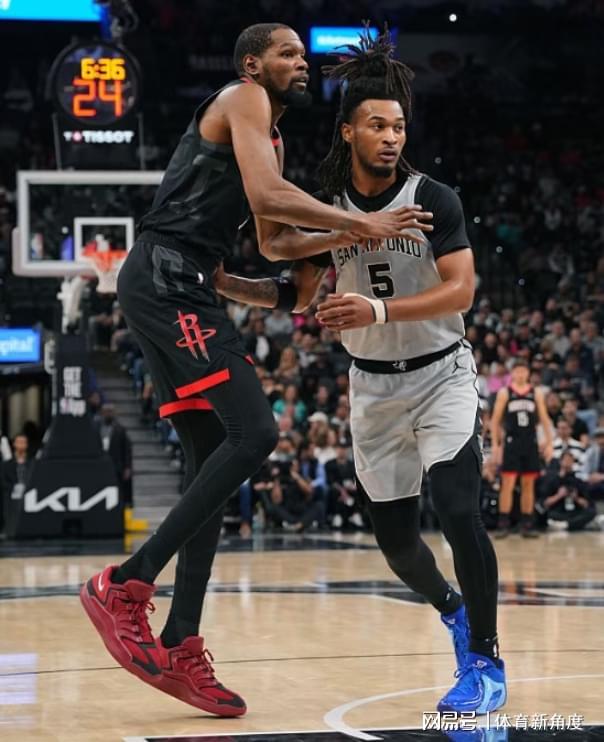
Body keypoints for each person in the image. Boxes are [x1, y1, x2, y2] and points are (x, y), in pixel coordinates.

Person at [80, 22, 433, 718]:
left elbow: (273, 247)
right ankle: (126, 583)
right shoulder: (242, 98)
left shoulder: (270, 138)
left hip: (182, 284)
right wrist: (359, 226)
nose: (301, 63)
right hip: (167, 277)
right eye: (287, 53)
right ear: (252, 64)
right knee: (256, 432)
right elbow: (269, 199)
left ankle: (180, 642)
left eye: (303, 55)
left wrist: (330, 246)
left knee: (213, 460)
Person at [214, 27, 506, 714]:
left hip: (441, 375)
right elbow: (297, 296)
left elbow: (462, 292)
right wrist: (228, 285)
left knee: (458, 510)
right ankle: (454, 609)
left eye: (399, 127)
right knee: (399, 547)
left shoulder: (434, 199)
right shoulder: (330, 208)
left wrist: (377, 309)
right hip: (372, 388)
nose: (391, 137)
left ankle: (486, 663)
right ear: (348, 131)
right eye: (377, 125)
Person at [490, 359, 554, 538]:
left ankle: (527, 523)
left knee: (528, 484)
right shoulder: (505, 392)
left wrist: (549, 442)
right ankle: (503, 523)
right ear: (512, 373)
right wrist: (496, 444)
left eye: (523, 371)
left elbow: (544, 418)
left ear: (528, 373)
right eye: (517, 371)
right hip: (512, 443)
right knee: (507, 484)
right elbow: (495, 421)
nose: (520, 374)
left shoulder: (536, 392)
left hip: (530, 443)